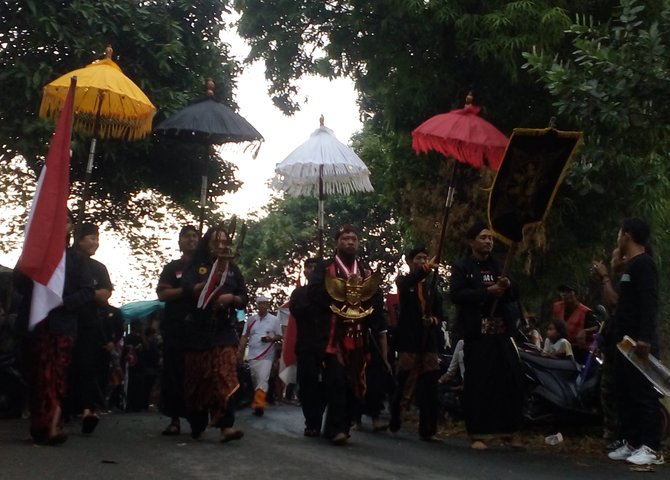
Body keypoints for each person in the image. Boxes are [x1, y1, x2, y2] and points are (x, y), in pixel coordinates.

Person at [13, 213, 95, 445]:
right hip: (35, 325)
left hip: (62, 326)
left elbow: (87, 291)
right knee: (36, 376)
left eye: (66, 220)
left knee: (55, 376)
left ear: (71, 228)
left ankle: (51, 425)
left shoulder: (77, 259)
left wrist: (61, 301)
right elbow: (19, 285)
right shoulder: (35, 255)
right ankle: (39, 424)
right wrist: (26, 261)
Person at [308, 225, 388, 445]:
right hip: (333, 335)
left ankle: (341, 426)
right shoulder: (326, 268)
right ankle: (336, 430)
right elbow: (313, 294)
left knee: (355, 382)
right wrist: (338, 300)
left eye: (354, 238)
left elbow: (375, 297)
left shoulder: (364, 270)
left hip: (359, 335)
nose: (350, 242)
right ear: (337, 242)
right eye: (345, 238)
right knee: (336, 381)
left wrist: (367, 309)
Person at [449, 221, 524, 450]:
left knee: (510, 379)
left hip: (501, 333)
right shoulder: (463, 267)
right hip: (477, 335)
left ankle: (508, 432)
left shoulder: (498, 265)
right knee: (479, 383)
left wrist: (507, 286)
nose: (488, 241)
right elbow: (456, 294)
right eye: (483, 237)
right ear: (472, 241)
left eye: (490, 238)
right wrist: (485, 292)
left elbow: (514, 294)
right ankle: (478, 433)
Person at [181, 225, 248, 443]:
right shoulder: (194, 265)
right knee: (198, 380)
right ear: (207, 243)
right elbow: (187, 290)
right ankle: (198, 423)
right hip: (197, 331)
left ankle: (225, 425)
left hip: (223, 330)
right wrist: (207, 288)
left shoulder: (232, 268)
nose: (220, 246)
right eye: (215, 242)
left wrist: (231, 299)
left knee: (225, 372)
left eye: (224, 242)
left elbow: (243, 296)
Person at [606, 218, 664, 465]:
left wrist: (645, 337)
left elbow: (649, 303)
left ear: (627, 236)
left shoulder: (644, 265)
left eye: (620, 233)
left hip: (639, 343)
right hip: (623, 343)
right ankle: (632, 442)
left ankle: (652, 448)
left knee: (643, 394)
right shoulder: (629, 267)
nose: (618, 238)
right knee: (625, 392)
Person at [390, 246, 442, 440]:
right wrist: (426, 268)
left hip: (428, 341)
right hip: (408, 340)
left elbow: (440, 314)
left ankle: (428, 429)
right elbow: (409, 282)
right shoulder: (403, 281)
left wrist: (433, 320)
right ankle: (396, 416)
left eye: (425, 258)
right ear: (410, 261)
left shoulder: (432, 287)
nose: (422, 261)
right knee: (405, 380)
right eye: (419, 258)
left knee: (430, 385)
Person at [156, 225, 199, 435]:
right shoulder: (172, 268)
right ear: (180, 242)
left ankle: (197, 421)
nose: (191, 240)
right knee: (174, 374)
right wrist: (187, 291)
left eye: (194, 236)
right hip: (175, 328)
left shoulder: (206, 268)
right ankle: (174, 420)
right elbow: (163, 294)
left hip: (200, 330)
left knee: (197, 374)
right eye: (187, 237)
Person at [72, 222, 114, 434]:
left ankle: (88, 410)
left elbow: (105, 293)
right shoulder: (67, 262)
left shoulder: (98, 267)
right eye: (91, 238)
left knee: (87, 366)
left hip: (90, 324)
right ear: (79, 239)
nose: (95, 242)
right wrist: (88, 294)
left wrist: (83, 294)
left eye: (97, 238)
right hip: (66, 321)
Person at [289, 258, 328, 437]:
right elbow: (297, 311)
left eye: (315, 267)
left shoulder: (328, 291)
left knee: (327, 384)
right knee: (307, 384)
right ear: (304, 271)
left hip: (326, 344)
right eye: (309, 267)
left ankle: (319, 416)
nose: (312, 270)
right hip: (305, 345)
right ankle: (311, 421)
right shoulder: (298, 293)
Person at [238, 295, 282, 417]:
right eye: (260, 303)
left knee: (263, 379)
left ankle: (259, 405)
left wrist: (270, 338)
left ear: (267, 305)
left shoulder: (274, 320)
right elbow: (244, 336)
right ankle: (258, 401)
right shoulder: (251, 320)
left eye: (265, 303)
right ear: (257, 305)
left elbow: (279, 336)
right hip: (252, 355)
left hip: (266, 355)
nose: (263, 305)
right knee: (256, 379)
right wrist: (240, 351)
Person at [551, 282, 599, 363]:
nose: (565, 294)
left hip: (578, 351)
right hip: (559, 349)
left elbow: (597, 326)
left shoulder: (586, 312)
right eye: (562, 292)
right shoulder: (557, 307)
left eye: (569, 291)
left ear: (576, 295)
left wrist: (585, 331)